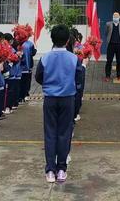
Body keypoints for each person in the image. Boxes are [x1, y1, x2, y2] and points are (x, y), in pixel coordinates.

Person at [35, 25, 82, 183]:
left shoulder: (45, 58)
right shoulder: (74, 58)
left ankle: (50, 170)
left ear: (52, 39)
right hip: (68, 98)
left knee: (50, 132)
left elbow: (39, 77)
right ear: (68, 40)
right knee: (64, 132)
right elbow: (79, 78)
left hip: (50, 98)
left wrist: (49, 84)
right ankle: (61, 169)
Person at [104, 12, 120, 81]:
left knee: (119, 61)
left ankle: (119, 75)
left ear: (119, 17)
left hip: (119, 45)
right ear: (112, 17)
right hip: (111, 45)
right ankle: (107, 75)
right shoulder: (108, 24)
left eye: (117, 17)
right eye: (114, 17)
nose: (115, 18)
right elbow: (106, 33)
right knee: (109, 61)